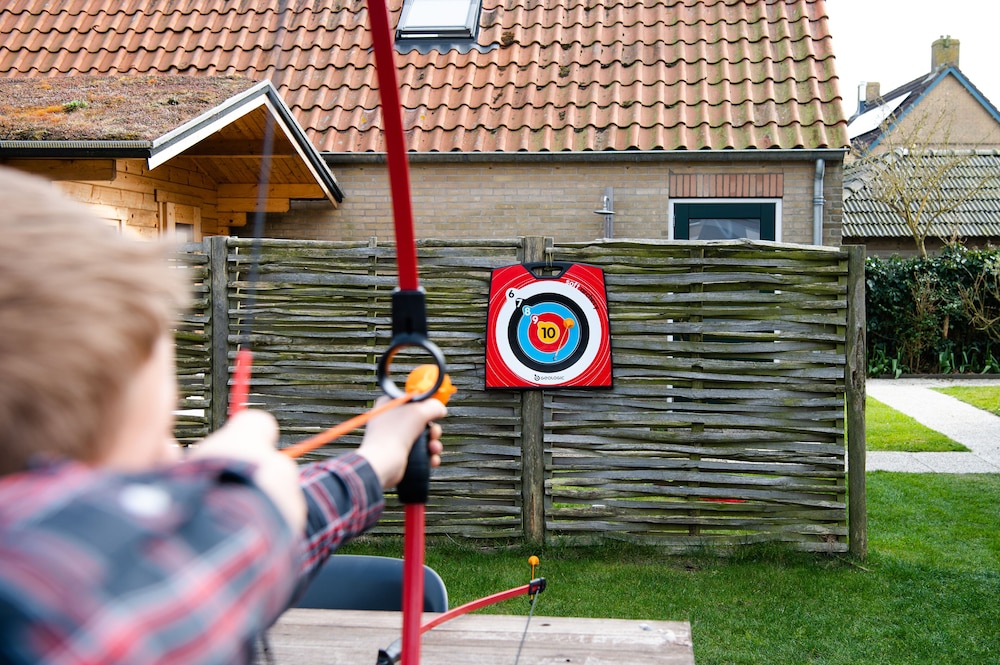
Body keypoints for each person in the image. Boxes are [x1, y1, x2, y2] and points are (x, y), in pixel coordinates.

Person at [0, 166, 447, 664]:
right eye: (159, 431)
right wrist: (240, 485)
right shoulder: (56, 608)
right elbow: (180, 576)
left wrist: (377, 459)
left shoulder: (161, 563)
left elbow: (217, 562)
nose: (172, 452)